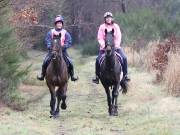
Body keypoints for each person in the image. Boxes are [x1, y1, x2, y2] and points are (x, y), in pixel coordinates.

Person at [37, 15, 78, 81]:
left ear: (62, 24)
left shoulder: (65, 32)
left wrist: (64, 46)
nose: (59, 24)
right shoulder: (51, 32)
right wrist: (49, 46)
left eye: (60, 23)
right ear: (55, 24)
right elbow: (48, 40)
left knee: (70, 63)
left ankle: (72, 76)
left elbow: (69, 41)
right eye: (58, 23)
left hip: (62, 51)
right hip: (52, 51)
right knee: (45, 62)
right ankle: (42, 75)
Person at [92, 12, 130, 84]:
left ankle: (125, 75)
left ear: (112, 18)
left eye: (109, 17)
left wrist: (116, 46)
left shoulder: (116, 26)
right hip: (104, 49)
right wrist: (104, 46)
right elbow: (100, 38)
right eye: (107, 18)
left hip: (116, 48)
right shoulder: (102, 27)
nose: (108, 19)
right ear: (105, 19)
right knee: (97, 60)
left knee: (124, 58)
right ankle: (97, 77)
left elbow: (118, 37)